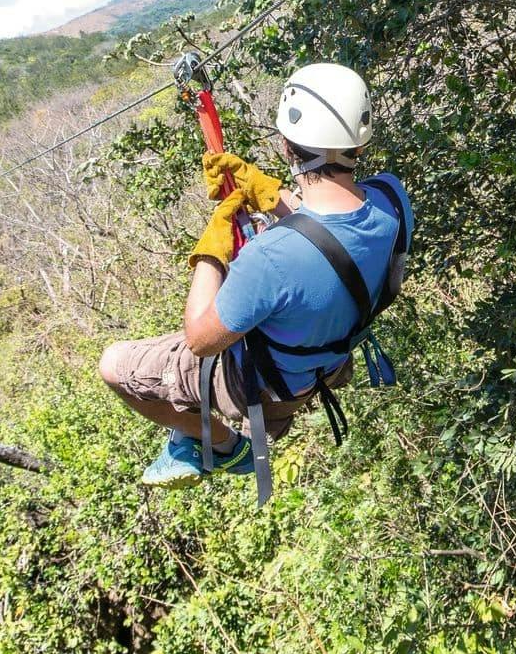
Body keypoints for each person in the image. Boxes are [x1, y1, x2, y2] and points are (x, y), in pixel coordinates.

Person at [97, 62, 413, 494]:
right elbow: (326, 228)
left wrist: (212, 248)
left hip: (260, 384)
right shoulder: (392, 200)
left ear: (286, 145)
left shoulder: (270, 257)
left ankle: (226, 446)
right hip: (324, 365)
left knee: (113, 365)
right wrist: (264, 188)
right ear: (358, 142)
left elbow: (200, 339)